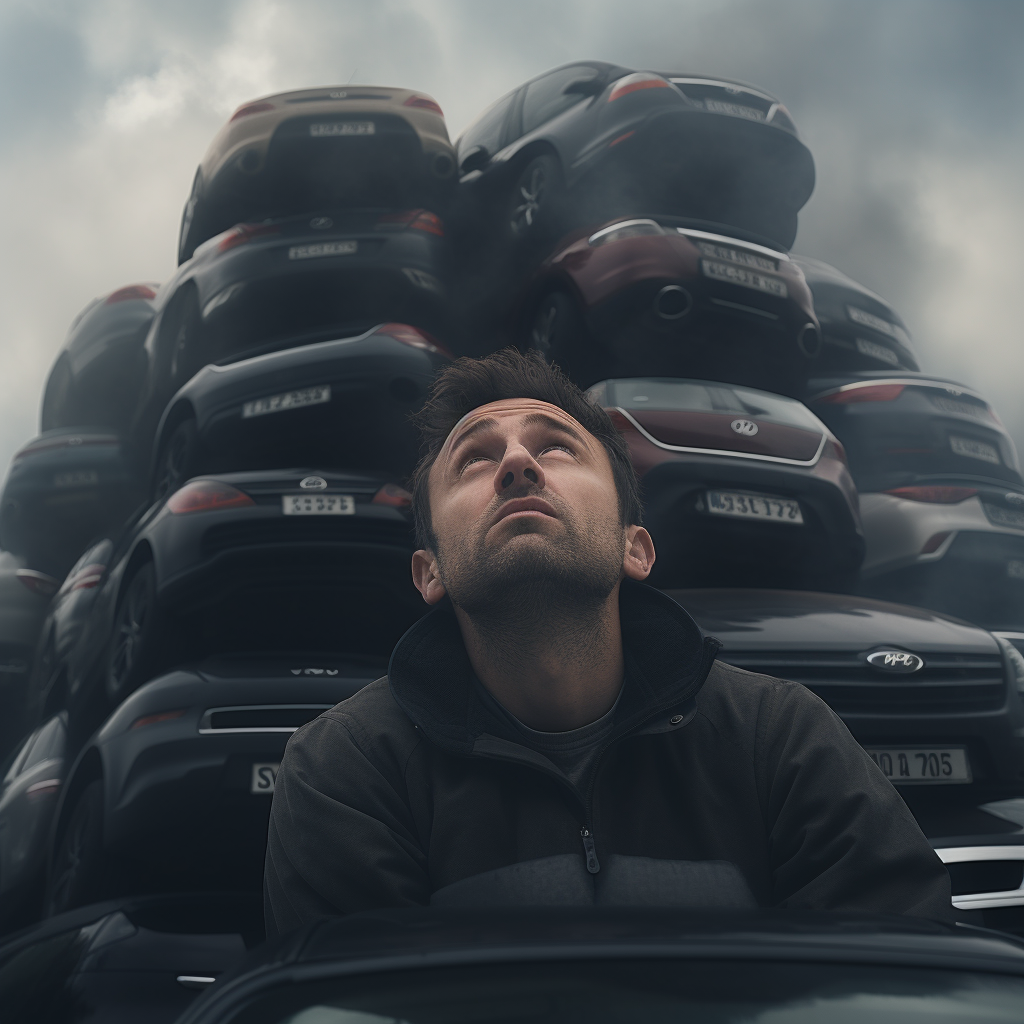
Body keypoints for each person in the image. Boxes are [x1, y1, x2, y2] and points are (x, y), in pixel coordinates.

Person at [264, 349, 952, 935]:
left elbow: (897, 983)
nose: (517, 465)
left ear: (637, 548)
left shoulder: (780, 738)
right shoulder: (345, 768)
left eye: (556, 447)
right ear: (430, 571)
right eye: (473, 459)